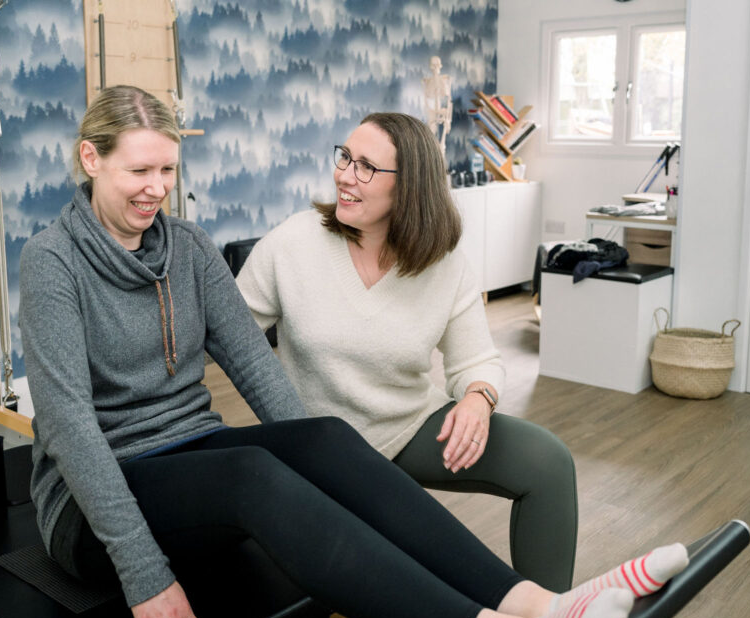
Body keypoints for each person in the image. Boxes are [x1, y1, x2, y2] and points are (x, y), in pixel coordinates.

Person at [19, 86, 688, 618]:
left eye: (167, 169)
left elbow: (254, 362)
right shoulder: (52, 261)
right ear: (91, 159)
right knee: (250, 472)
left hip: (187, 453)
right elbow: (71, 429)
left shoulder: (188, 248)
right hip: (89, 504)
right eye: (139, 170)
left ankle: (545, 608)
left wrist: (315, 457)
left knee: (324, 440)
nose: (155, 187)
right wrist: (145, 576)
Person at [235, 112, 579, 593]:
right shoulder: (293, 241)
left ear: (410, 186)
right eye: (345, 158)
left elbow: (476, 360)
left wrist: (478, 399)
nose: (344, 175)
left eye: (366, 168)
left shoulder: (444, 264)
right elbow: (227, 334)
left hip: (408, 427)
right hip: (317, 444)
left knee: (547, 461)